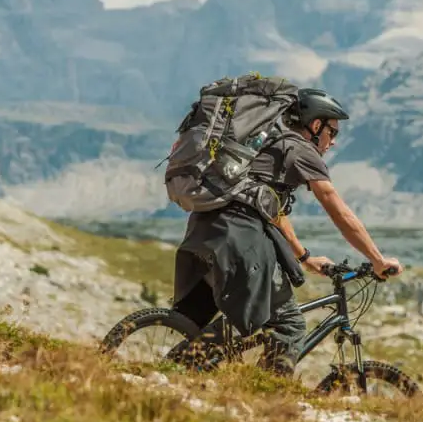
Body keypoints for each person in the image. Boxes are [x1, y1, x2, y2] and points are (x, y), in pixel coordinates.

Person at [170, 87, 404, 375]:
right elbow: (336, 207)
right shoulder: (300, 148)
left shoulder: (269, 145)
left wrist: (304, 258)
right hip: (239, 235)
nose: (333, 142)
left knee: (249, 315)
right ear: (316, 125)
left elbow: (272, 209)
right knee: (289, 325)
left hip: (205, 230)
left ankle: (170, 369)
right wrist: (377, 259)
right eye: (333, 132)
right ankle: (268, 398)